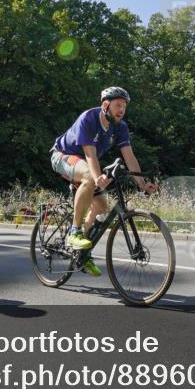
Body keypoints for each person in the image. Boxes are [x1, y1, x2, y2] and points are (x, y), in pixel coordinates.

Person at [50, 87, 157, 276]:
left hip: (85, 163)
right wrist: (97, 176)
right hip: (63, 156)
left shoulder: (120, 127)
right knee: (90, 177)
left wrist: (142, 184)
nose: (122, 109)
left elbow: (130, 157)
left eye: (124, 106)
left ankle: (82, 253)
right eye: (118, 105)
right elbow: (90, 154)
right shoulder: (89, 118)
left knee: (101, 206)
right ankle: (74, 232)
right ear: (106, 105)